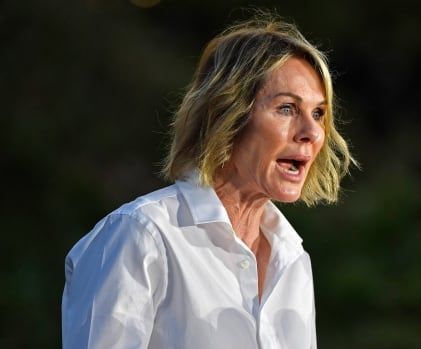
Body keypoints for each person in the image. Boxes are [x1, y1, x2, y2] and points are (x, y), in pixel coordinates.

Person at [61, 13, 355, 349]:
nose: (313, 132)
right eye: (287, 108)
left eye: (319, 113)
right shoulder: (141, 236)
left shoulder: (293, 259)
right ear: (226, 114)